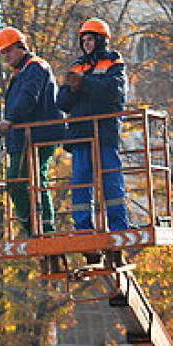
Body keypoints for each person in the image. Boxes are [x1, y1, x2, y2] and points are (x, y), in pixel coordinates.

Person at [56, 17, 132, 233]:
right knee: (80, 183)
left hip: (104, 133)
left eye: (90, 39)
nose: (87, 43)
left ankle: (118, 226)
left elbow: (113, 93)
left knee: (111, 181)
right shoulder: (77, 66)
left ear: (101, 40)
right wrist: (72, 88)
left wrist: (84, 82)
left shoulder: (113, 62)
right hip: (81, 135)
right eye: (84, 40)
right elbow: (61, 102)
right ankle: (82, 227)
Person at [0, 27, 64, 237]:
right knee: (23, 181)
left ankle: (42, 228)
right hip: (25, 137)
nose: (6, 56)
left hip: (38, 135)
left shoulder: (35, 68)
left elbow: (28, 96)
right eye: (3, 53)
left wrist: (10, 119)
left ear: (21, 47)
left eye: (9, 51)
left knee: (22, 180)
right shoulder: (22, 72)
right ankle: (36, 227)